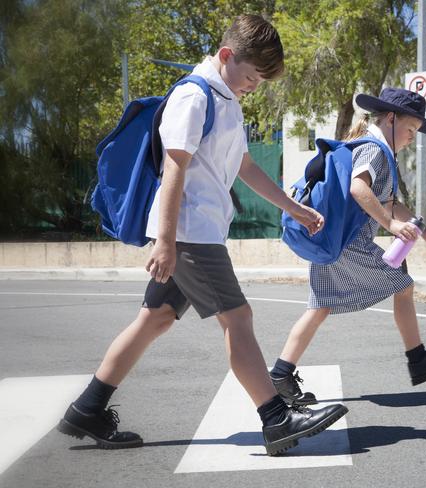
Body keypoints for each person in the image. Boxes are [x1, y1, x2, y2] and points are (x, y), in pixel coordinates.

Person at [57, 14, 347, 456]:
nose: (254, 85)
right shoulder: (194, 97)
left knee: (153, 320)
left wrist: (295, 208)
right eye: (251, 76)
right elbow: (175, 168)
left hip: (197, 231)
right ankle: (276, 418)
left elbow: (244, 167)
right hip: (190, 234)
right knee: (238, 319)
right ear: (227, 56)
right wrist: (166, 242)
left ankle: (88, 408)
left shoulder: (225, 97)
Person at [270, 88, 426, 406]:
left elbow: (389, 202)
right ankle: (418, 360)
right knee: (403, 286)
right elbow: (358, 187)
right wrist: (391, 226)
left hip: (332, 241)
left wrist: (424, 230)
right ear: (390, 118)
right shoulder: (374, 149)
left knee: (319, 307)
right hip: (350, 243)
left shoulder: (373, 149)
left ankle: (280, 373)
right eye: (410, 129)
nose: (410, 138)